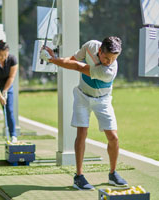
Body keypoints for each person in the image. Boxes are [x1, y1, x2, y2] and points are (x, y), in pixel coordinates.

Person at [41, 36, 128, 190]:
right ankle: (79, 176)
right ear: (99, 50)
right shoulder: (90, 46)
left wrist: (52, 60)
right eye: (107, 58)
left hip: (103, 99)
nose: (109, 62)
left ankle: (113, 173)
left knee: (113, 137)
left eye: (113, 59)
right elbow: (73, 59)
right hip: (82, 96)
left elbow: (78, 67)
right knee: (82, 133)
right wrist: (54, 57)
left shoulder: (109, 70)